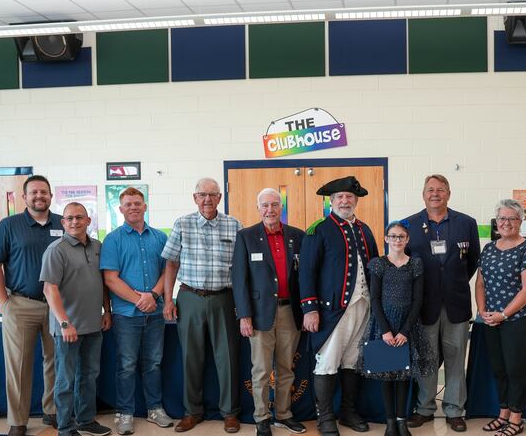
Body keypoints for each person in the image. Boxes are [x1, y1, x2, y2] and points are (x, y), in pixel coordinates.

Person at [299, 176, 380, 436]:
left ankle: (347, 411)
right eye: (340, 197)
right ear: (331, 201)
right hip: (333, 309)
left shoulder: (365, 229)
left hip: (363, 306)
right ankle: (325, 417)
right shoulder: (318, 229)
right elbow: (307, 272)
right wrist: (310, 308)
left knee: (352, 361)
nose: (345, 201)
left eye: (349, 197)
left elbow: (375, 267)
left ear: (356, 200)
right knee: (328, 362)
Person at [161, 178, 242, 433]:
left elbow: (242, 269)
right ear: (194, 198)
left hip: (223, 298)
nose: (207, 199)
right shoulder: (182, 224)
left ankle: (229, 413)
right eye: (202, 195)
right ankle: (192, 412)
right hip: (190, 298)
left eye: (212, 195)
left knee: (227, 357)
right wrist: (167, 300)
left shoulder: (235, 225)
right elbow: (171, 264)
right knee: (191, 358)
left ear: (220, 198)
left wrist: (243, 304)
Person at [0, 175, 61, 436]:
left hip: (57, 307)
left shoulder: (64, 223)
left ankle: (53, 411)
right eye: (34, 193)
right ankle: (18, 420)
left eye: (44, 192)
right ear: (25, 197)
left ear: (51, 196)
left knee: (56, 361)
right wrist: (4, 302)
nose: (39, 196)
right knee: (18, 365)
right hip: (21, 304)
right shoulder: (9, 226)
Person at [404, 174, 480, 432]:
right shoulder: (409, 224)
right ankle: (424, 408)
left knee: (456, 358)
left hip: (456, 303)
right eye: (430, 190)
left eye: (440, 189)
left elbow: (472, 262)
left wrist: (451, 283)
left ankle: (454, 409)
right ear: (423, 194)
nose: (435, 194)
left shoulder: (466, 223)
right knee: (427, 358)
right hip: (423, 304)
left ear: (449, 193)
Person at [232, 188, 307, 436]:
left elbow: (305, 276)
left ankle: (283, 415)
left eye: (275, 205)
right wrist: (244, 315)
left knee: (286, 368)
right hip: (259, 313)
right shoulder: (246, 236)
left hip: (290, 311)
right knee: (262, 370)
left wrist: (308, 309)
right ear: (258, 208)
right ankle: (262, 417)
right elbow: (240, 279)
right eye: (265, 205)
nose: (270, 210)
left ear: (281, 208)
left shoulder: (298, 236)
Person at [100, 187, 172, 434]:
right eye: (128, 204)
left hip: (155, 314)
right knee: (127, 364)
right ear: (120, 209)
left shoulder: (160, 237)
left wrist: (153, 296)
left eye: (137, 203)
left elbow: (168, 272)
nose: (133, 207)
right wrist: (140, 300)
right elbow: (110, 279)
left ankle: (154, 409)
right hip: (126, 315)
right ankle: (125, 413)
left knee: (153, 363)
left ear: (145, 206)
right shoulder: (113, 239)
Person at [40, 202, 112, 436]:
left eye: (79, 217)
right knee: (65, 380)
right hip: (67, 329)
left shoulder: (98, 247)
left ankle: (85, 420)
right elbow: (50, 289)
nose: (74, 222)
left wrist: (107, 311)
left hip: (93, 325)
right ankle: (65, 427)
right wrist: (64, 323)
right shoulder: (56, 249)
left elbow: (103, 283)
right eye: (69, 218)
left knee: (89, 376)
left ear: (88, 221)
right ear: (63, 222)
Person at [356, 221, 434, 436]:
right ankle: (390, 422)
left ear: (407, 239)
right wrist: (386, 331)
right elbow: (375, 298)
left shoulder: (415, 264)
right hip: (384, 325)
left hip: (407, 326)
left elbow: (418, 300)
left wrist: (404, 331)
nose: (397, 240)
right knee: (387, 375)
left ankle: (401, 420)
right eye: (393, 236)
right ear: (386, 239)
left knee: (404, 376)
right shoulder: (378, 264)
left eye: (401, 236)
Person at [474, 199, 526, 436]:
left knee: (516, 370)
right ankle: (503, 412)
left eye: (512, 218)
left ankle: (516, 417)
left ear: (520, 221)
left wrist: (503, 314)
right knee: (499, 369)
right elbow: (480, 284)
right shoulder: (489, 248)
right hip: (491, 320)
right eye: (502, 218)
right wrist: (483, 312)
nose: (506, 223)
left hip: (518, 320)